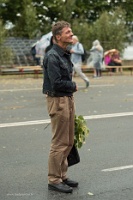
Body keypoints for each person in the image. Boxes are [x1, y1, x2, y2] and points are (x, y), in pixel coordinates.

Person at [42, 21, 78, 193]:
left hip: (67, 100)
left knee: (69, 141)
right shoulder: (52, 56)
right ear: (58, 37)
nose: (71, 34)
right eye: (68, 32)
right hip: (58, 101)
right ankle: (54, 179)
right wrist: (73, 86)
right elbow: (56, 84)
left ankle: (62, 175)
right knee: (59, 142)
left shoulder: (63, 53)